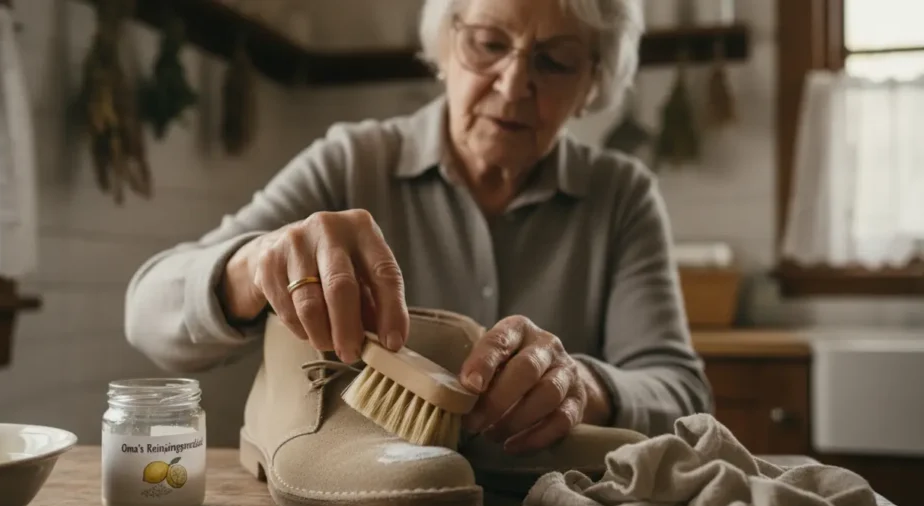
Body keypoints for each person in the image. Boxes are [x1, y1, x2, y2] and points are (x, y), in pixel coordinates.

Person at [125, 0, 712, 453]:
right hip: (353, 496)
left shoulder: (622, 196)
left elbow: (681, 394)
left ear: (592, 84)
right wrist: (254, 265)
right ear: (445, 45)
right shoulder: (352, 161)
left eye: (554, 61)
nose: (512, 86)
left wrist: (582, 385)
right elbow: (147, 315)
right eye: (488, 44)